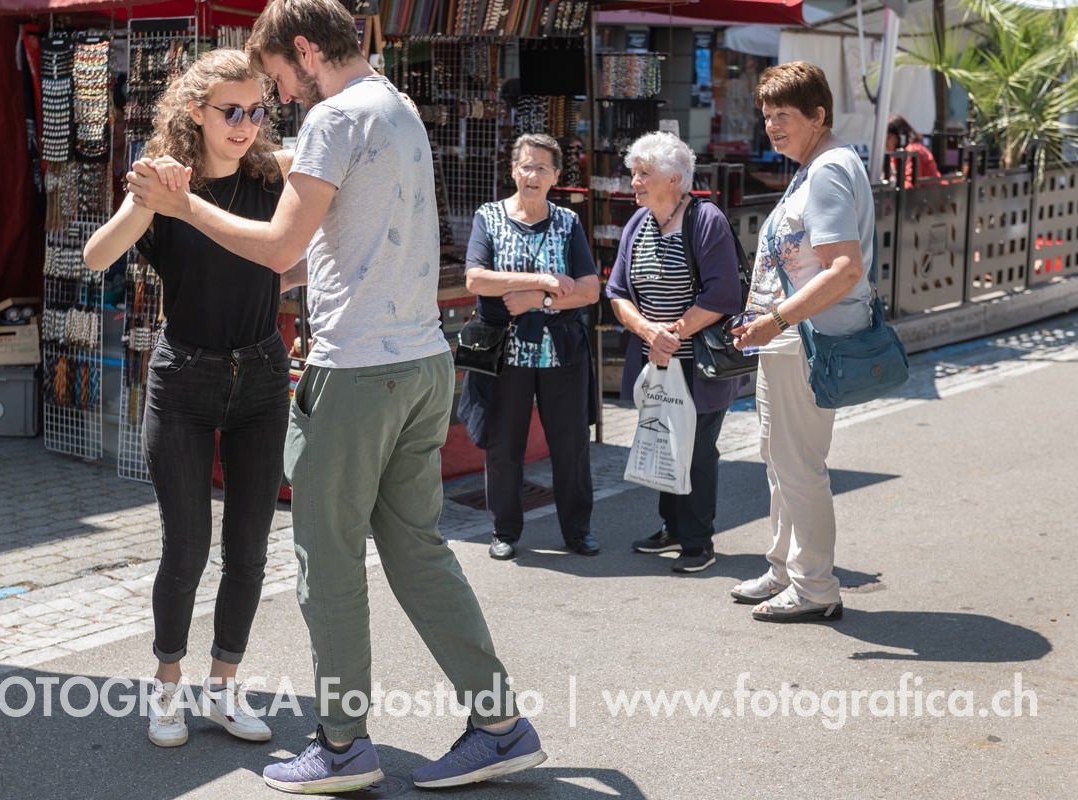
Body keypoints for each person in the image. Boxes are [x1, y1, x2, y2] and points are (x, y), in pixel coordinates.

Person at [126, 0, 546, 793]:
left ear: (305, 49)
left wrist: (183, 206)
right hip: (423, 361)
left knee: (328, 562)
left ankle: (344, 745)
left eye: (278, 78)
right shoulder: (399, 107)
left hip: (356, 371)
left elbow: (281, 247)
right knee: (418, 552)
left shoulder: (334, 119)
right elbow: (325, 252)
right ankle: (499, 726)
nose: (280, 97)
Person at [84, 48, 299, 747]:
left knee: (250, 548)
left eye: (256, 111)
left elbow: (335, 177)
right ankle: (167, 687)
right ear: (195, 112)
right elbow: (96, 257)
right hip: (184, 382)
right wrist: (149, 197)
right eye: (230, 111)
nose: (245, 124)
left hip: (262, 377)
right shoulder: (164, 182)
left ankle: (223, 687)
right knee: (186, 548)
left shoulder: (274, 175)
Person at [729, 61, 875, 623]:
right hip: (792, 337)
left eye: (784, 115)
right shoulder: (816, 164)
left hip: (805, 338)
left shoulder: (829, 169)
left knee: (798, 464)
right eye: (767, 115)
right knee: (780, 459)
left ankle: (815, 587)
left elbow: (844, 268)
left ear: (818, 115)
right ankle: (786, 570)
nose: (772, 125)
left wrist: (775, 321)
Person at [604, 131, 748, 573]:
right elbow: (617, 293)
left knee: (697, 450)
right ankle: (672, 526)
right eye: (634, 173)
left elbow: (723, 295)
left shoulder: (705, 220)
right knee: (663, 441)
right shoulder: (638, 224)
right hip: (657, 360)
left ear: (674, 178)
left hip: (699, 363)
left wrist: (674, 334)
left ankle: (698, 541)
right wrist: (650, 333)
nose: (634, 182)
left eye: (643, 174)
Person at [462, 132, 601, 561]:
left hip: (561, 350)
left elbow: (590, 290)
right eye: (526, 166)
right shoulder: (489, 217)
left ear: (556, 176)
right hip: (506, 351)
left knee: (571, 444)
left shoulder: (568, 222)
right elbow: (476, 279)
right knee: (504, 444)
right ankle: (504, 530)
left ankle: (577, 530)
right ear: (513, 171)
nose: (533, 175)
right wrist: (541, 281)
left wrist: (537, 302)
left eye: (542, 167)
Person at [886, 114, 941, 188]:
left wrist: (890, 186)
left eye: (889, 137)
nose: (885, 141)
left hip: (933, 192)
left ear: (899, 136)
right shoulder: (899, 153)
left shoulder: (912, 150)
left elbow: (911, 184)